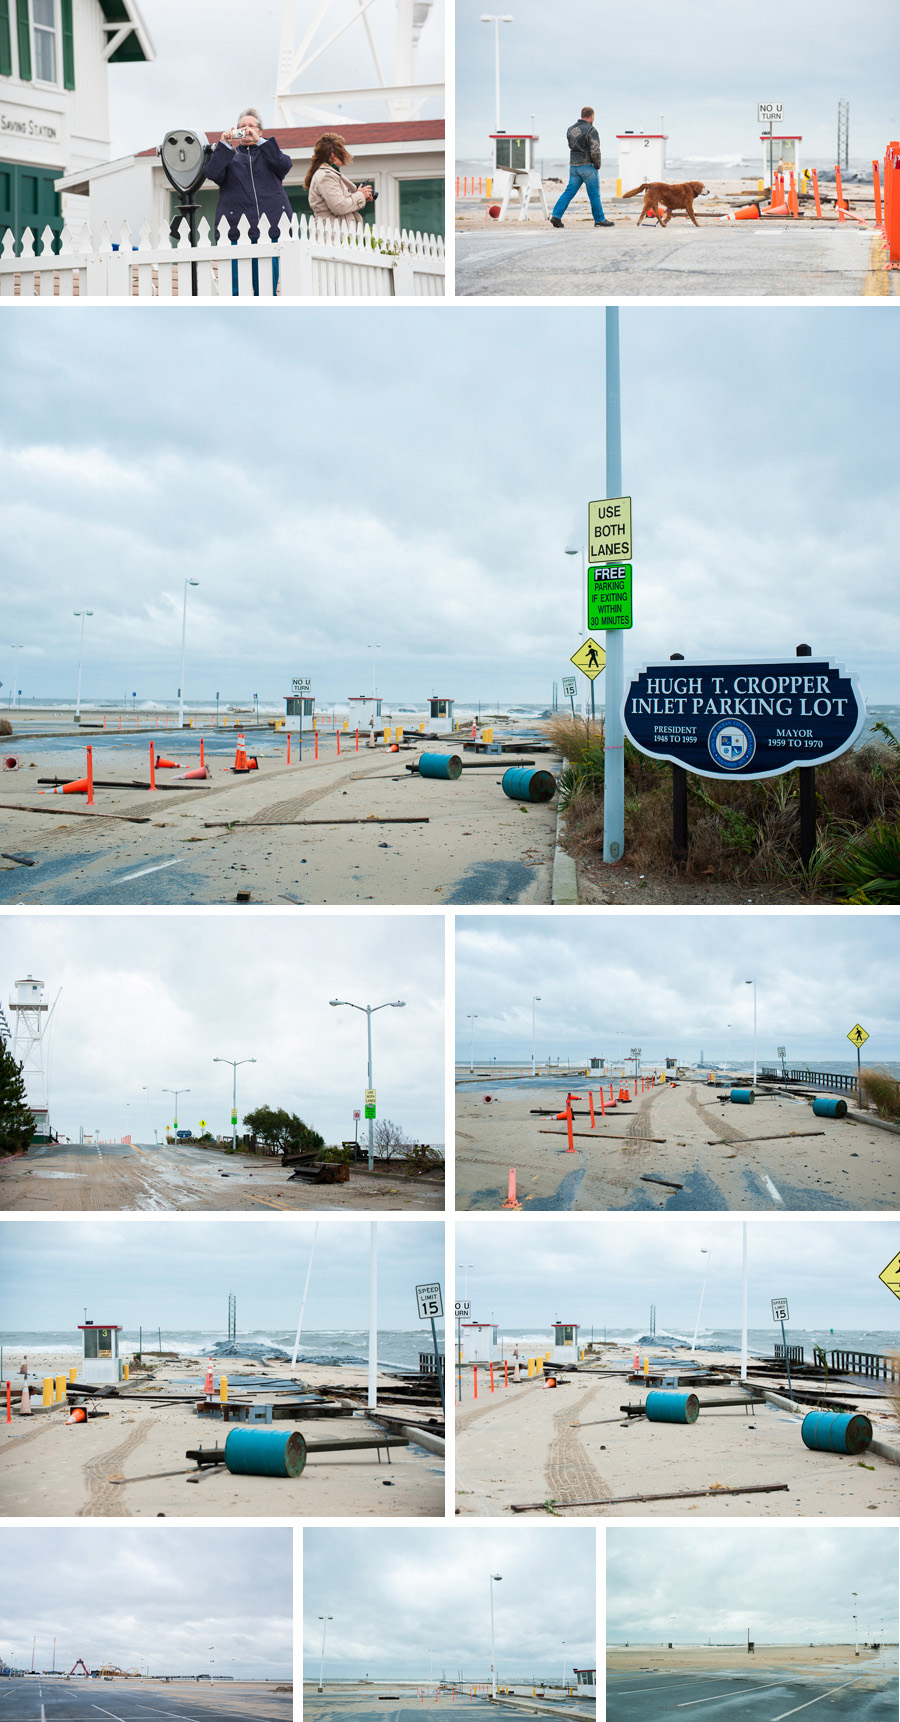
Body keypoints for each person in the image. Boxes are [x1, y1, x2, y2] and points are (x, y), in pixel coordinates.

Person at [205, 108, 293, 294]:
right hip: (235, 231)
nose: (246, 130)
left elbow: (284, 165)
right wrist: (224, 145)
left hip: (270, 229)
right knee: (235, 289)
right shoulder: (230, 155)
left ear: (260, 131)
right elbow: (212, 173)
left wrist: (260, 143)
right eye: (242, 127)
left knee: (266, 287)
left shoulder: (269, 152)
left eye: (251, 126)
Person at [550, 106, 614, 229]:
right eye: (593, 117)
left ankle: (556, 216)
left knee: (569, 192)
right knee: (594, 194)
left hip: (574, 166)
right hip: (587, 166)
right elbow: (595, 149)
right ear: (591, 117)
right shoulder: (591, 130)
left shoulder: (570, 129)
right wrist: (597, 164)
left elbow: (571, 145)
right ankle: (599, 219)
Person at [304, 133, 374, 227]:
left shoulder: (329, 174)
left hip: (336, 235)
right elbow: (339, 207)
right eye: (342, 151)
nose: (345, 154)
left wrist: (362, 195)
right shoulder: (326, 176)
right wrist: (360, 195)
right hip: (332, 237)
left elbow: (340, 203)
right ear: (333, 156)